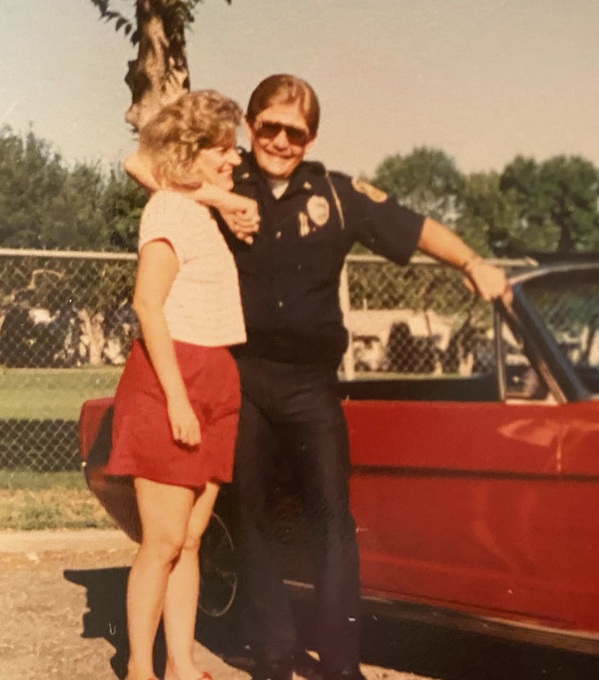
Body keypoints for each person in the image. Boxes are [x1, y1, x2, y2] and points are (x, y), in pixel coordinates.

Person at [128, 74, 509, 680]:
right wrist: (220, 200)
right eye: (268, 127)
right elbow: (141, 163)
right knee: (251, 515)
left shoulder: (334, 191)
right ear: (250, 127)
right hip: (242, 376)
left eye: (295, 132)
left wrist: (472, 261)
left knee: (331, 518)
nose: (280, 140)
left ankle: (339, 662)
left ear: (312, 136)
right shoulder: (224, 176)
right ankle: (274, 657)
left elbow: (410, 225)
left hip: (310, 382)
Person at [107, 90, 247, 680]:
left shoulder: (197, 209)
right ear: (195, 151)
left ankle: (182, 662)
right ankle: (142, 667)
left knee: (191, 542)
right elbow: (147, 305)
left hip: (216, 375)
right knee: (162, 541)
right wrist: (179, 400)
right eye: (224, 149)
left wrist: (210, 190)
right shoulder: (165, 210)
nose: (234, 160)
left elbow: (166, 172)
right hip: (174, 381)